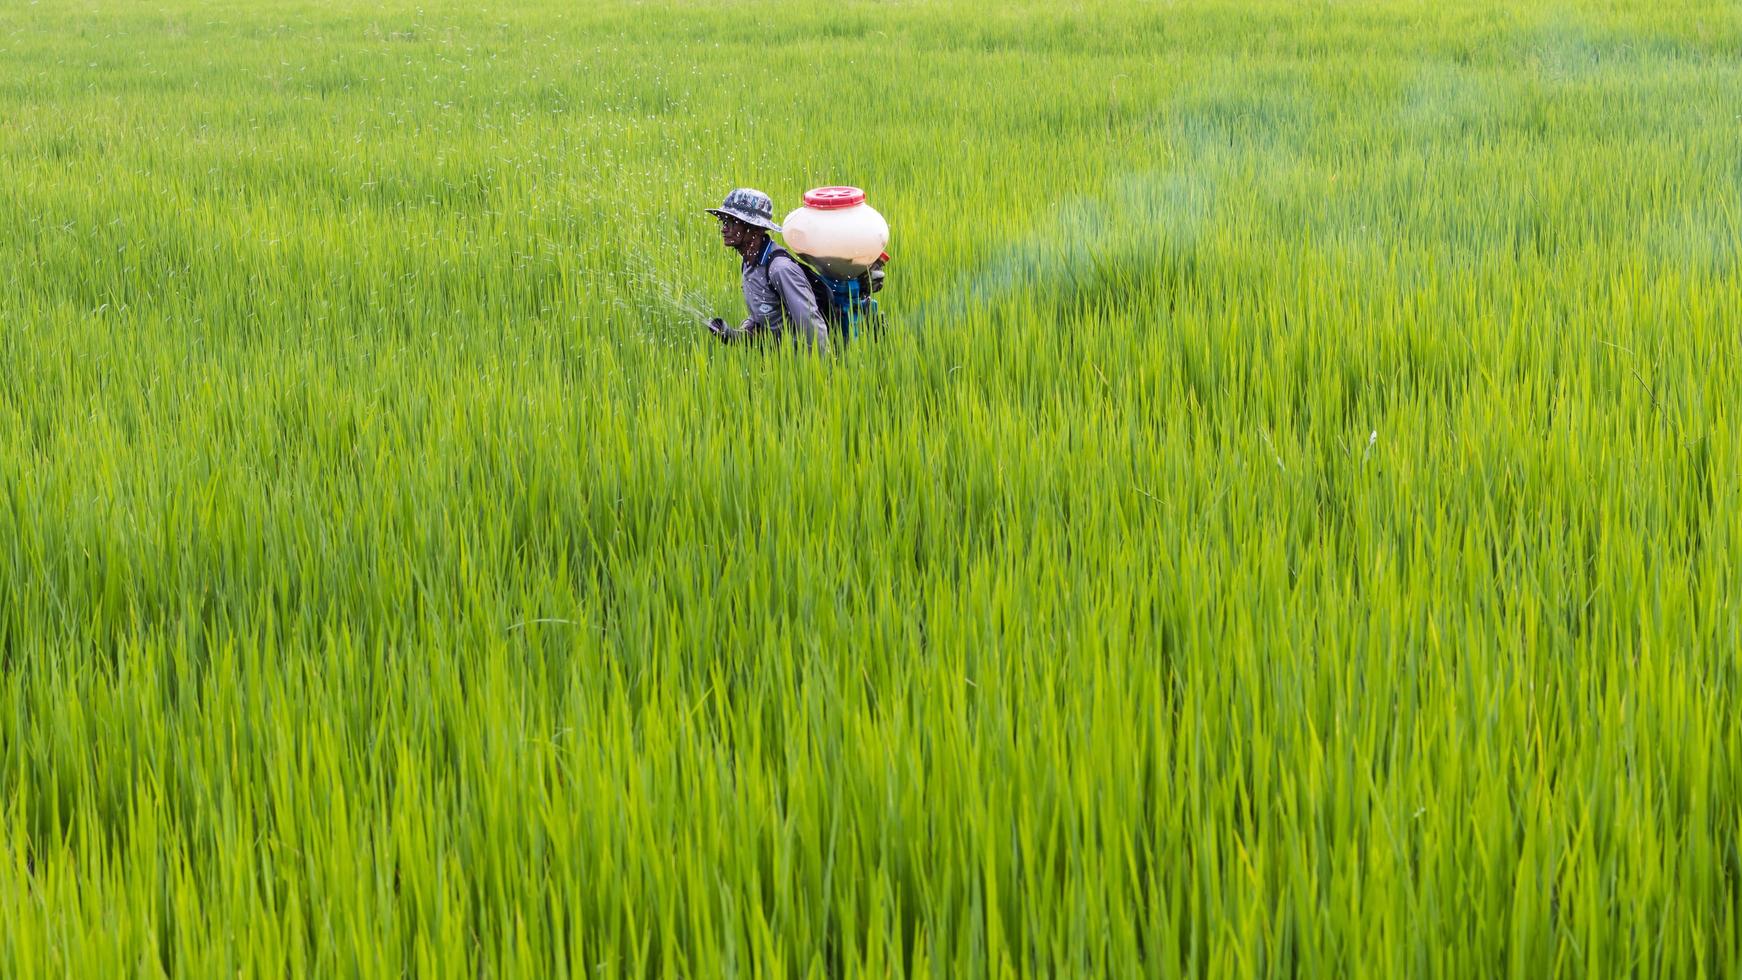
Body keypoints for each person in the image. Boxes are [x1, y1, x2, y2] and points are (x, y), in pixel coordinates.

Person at [704, 188, 829, 351]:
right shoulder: (750, 262)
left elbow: (811, 326)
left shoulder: (780, 270)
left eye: (732, 222)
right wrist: (736, 334)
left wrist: (819, 372)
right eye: (724, 222)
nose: (724, 228)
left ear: (756, 228)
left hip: (794, 363)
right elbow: (766, 318)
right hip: (776, 362)